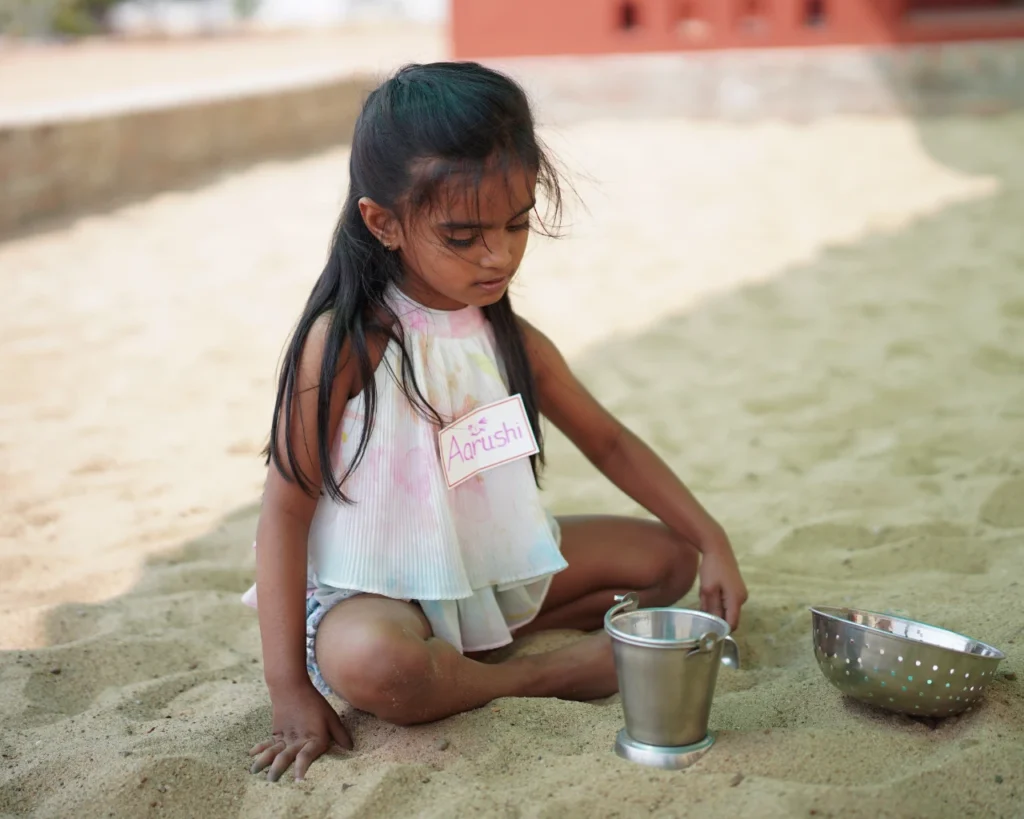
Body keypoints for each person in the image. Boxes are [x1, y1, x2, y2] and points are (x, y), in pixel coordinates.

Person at [244, 61, 747, 783]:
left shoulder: (506, 337)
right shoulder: (349, 344)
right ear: (383, 222)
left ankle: (475, 645)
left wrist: (712, 538)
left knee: (669, 561)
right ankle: (538, 674)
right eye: (463, 235)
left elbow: (609, 442)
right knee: (379, 665)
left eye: (516, 224)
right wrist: (287, 687)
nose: (500, 254)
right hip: (371, 591)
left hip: (479, 569)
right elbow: (284, 511)